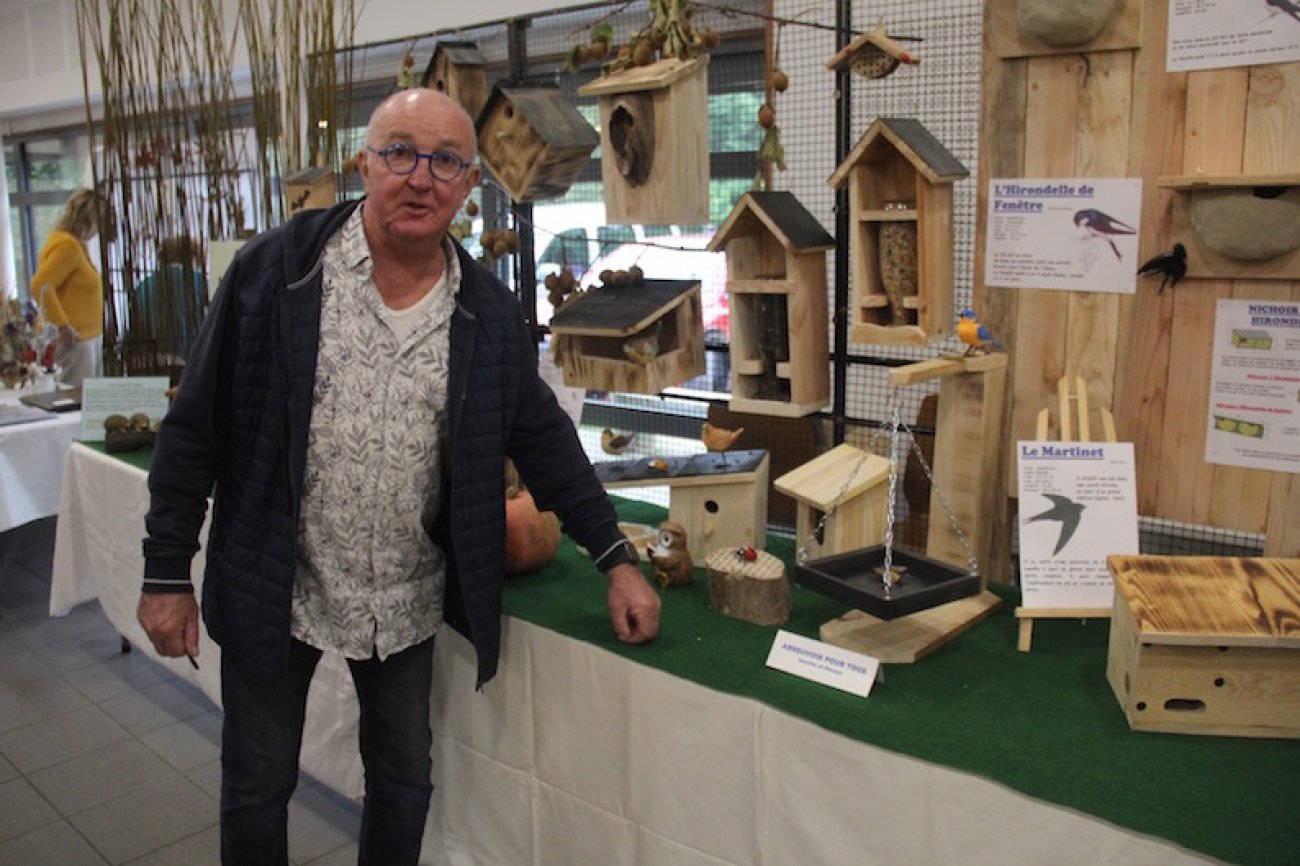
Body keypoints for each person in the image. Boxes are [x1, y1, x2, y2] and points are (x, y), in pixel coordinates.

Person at [137, 88, 661, 866]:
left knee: (404, 783)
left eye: (445, 161)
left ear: (469, 183)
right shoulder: (275, 273)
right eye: (401, 153)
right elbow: (193, 430)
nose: (421, 177)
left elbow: (545, 439)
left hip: (402, 598)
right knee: (257, 783)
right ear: (365, 165)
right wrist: (164, 573)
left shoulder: (486, 312)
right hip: (278, 585)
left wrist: (616, 559)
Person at [31, 188, 116, 386]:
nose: (99, 230)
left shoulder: (72, 244)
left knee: (85, 396)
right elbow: (40, 285)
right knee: (77, 397)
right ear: (89, 220)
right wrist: (63, 326)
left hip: (83, 337)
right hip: (75, 340)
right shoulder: (67, 246)